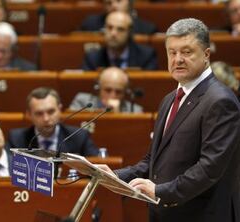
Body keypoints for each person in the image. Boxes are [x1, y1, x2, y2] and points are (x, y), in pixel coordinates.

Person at [99, 18, 240, 222]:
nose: (178, 59)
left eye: (186, 51)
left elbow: (209, 169)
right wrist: (116, 176)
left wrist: (160, 191)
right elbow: (153, 161)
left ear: (206, 55)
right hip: (166, 214)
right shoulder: (169, 99)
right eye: (172, 52)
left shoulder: (220, 100)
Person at [8, 87, 98, 156]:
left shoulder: (79, 137)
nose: (46, 119)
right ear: (29, 115)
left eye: (51, 112)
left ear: (59, 110)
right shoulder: (17, 139)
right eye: (39, 113)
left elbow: (96, 169)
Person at [82, 11, 158, 71]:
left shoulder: (146, 56)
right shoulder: (92, 58)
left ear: (129, 33)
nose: (113, 33)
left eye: (120, 29)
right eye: (109, 28)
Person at [69, 67, 143, 113]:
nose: (113, 96)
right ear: (98, 88)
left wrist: (117, 115)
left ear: (125, 93)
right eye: (108, 90)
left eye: (118, 92)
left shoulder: (134, 111)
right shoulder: (82, 103)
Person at [80, 0, 157, 35]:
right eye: (109, 3)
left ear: (129, 3)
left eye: (118, 1)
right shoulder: (89, 25)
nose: (114, 6)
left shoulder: (147, 29)